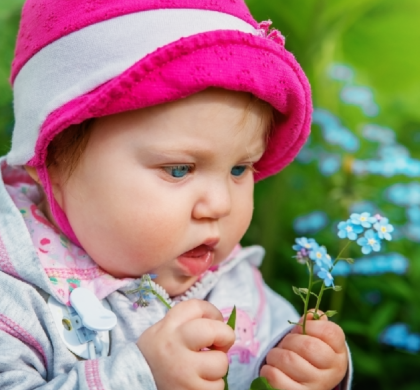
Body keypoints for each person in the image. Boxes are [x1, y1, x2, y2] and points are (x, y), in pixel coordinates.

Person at [0, 0, 350, 389]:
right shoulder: (17, 298)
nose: (219, 204)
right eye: (178, 170)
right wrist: (140, 378)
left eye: (239, 169)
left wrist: (304, 371)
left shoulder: (232, 283)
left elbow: (271, 360)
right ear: (51, 164)